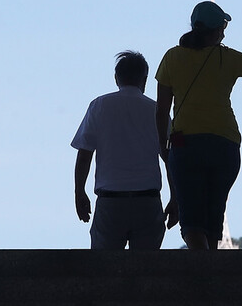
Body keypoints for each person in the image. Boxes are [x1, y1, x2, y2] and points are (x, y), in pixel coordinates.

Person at [155, 1, 242, 250]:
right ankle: (213, 275)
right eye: (224, 26)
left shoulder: (172, 57)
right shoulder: (228, 58)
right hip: (224, 145)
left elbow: (161, 110)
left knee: (191, 221)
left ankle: (202, 273)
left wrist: (164, 145)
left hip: (186, 145)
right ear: (217, 30)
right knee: (214, 219)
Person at [71, 51, 179, 249]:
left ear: (116, 78)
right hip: (148, 201)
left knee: (105, 272)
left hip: (110, 201)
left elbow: (85, 154)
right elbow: (170, 158)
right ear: (144, 79)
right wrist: (175, 198)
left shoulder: (99, 106)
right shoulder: (157, 111)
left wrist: (79, 192)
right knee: (146, 272)